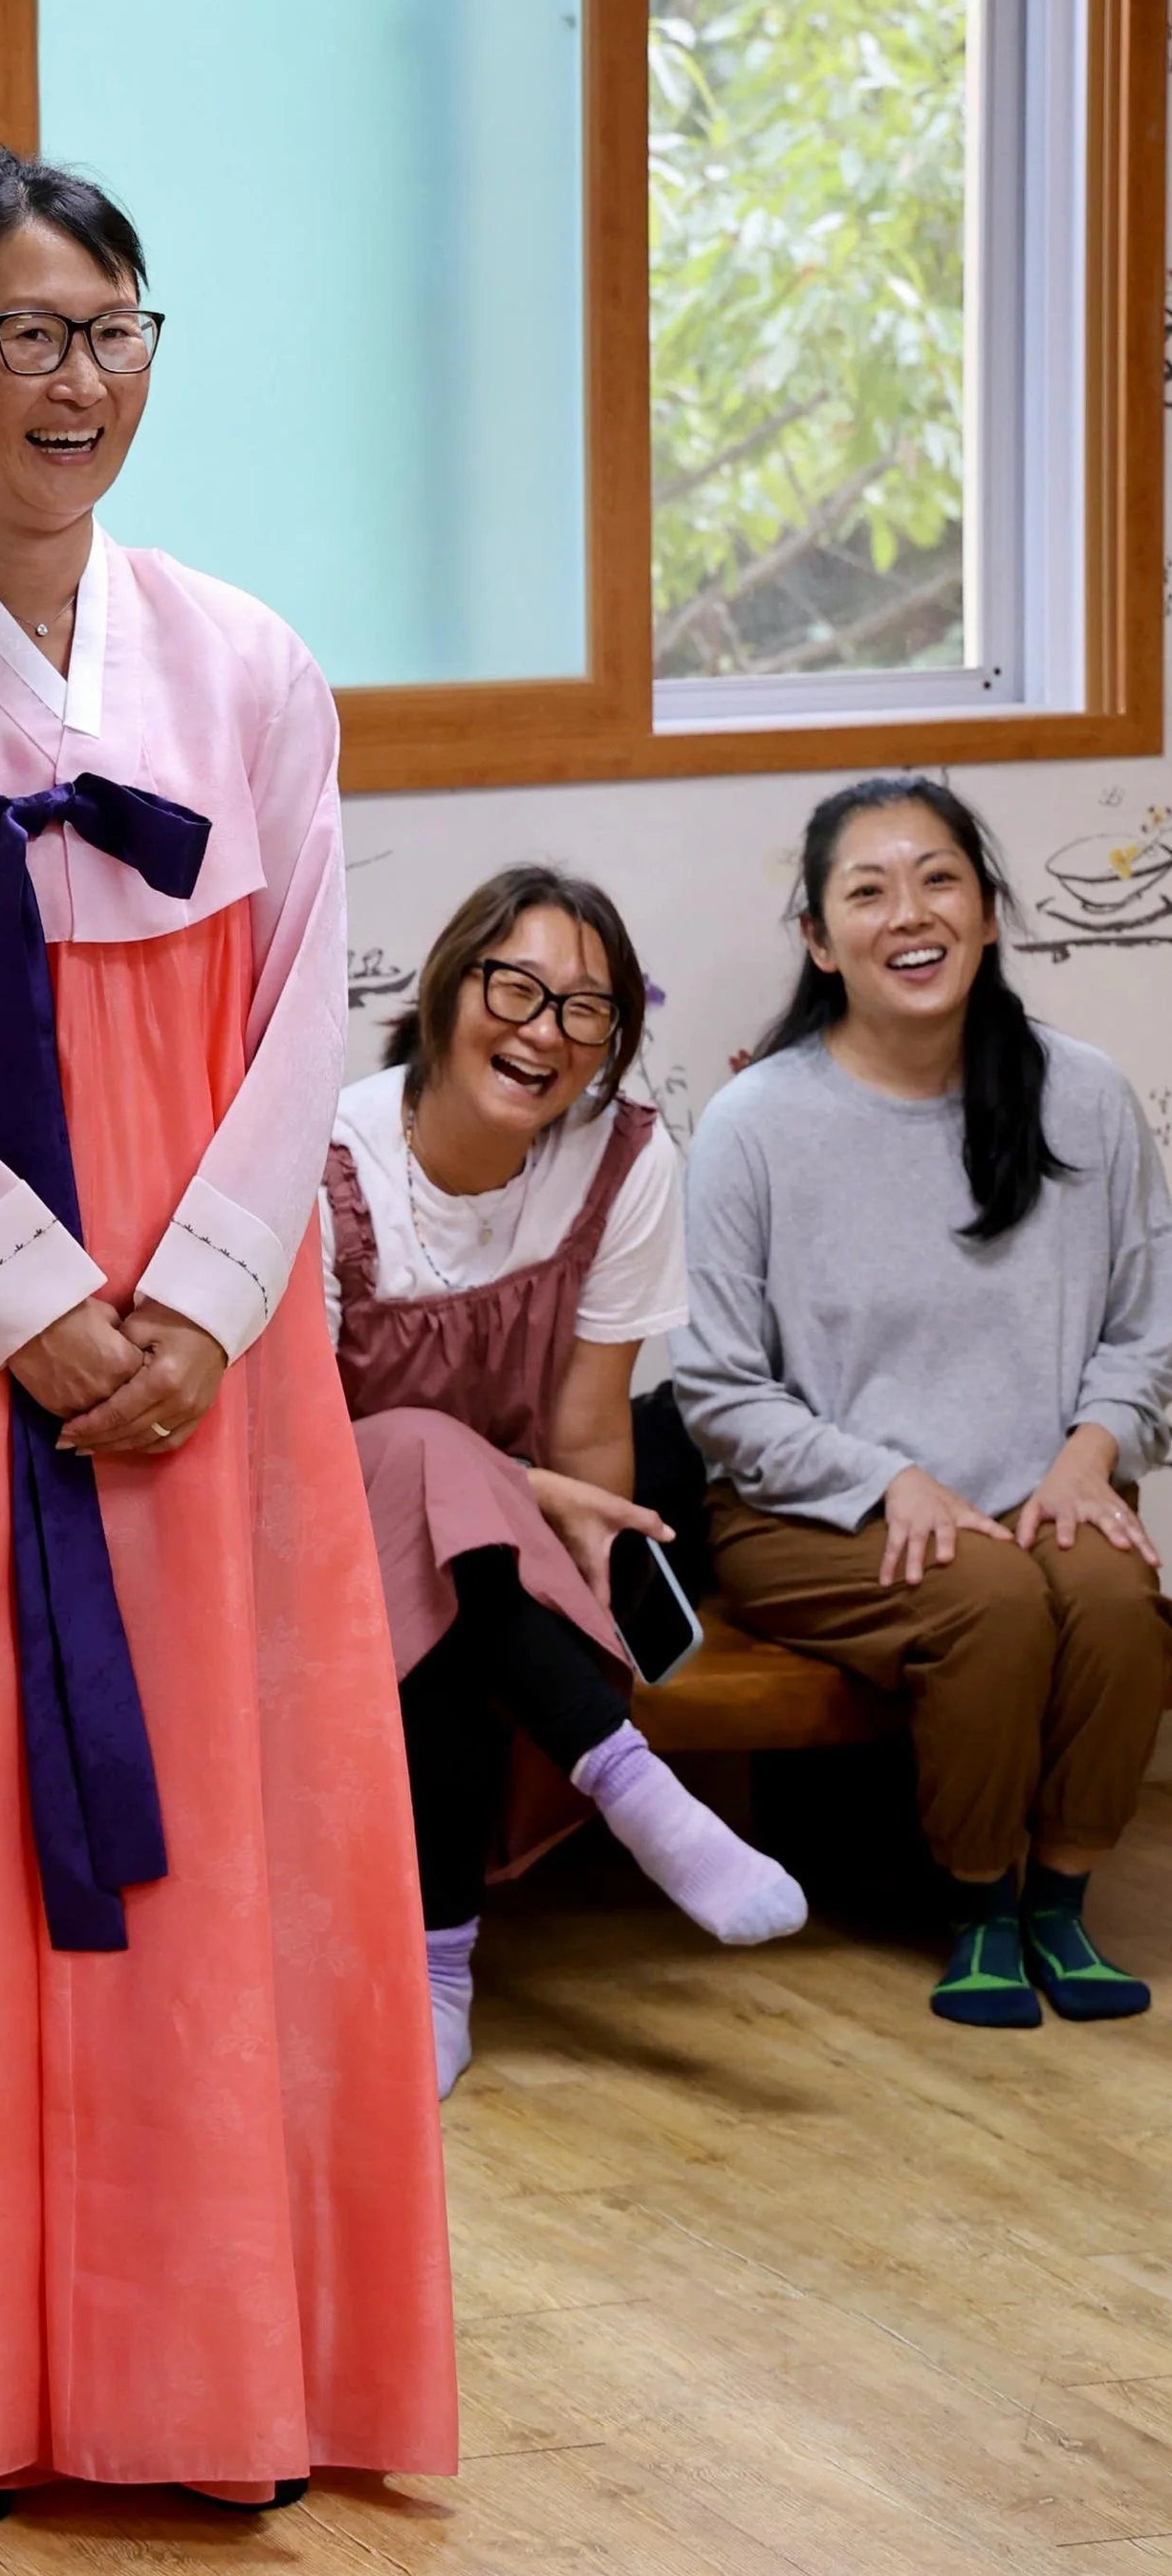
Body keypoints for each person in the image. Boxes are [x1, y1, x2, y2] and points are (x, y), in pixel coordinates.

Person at [0, 149, 455, 2522]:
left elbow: (292, 1026)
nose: (75, 376)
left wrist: (204, 1314)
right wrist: (35, 1312)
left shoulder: (250, 669)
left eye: (114, 325)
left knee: (217, 1823)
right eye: (22, 333)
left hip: (195, 1359)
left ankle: (212, 2372)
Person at [677, 775, 1172, 2029]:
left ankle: (1063, 1899)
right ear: (819, 939)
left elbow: (1145, 1328)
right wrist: (885, 1479)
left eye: (940, 877)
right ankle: (978, 1905)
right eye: (869, 888)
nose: (911, 910)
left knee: (1116, 1600)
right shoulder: (756, 1123)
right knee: (994, 1599)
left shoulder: (1087, 1095)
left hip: (1040, 1478)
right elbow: (720, 1390)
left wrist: (1089, 1457)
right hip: (817, 1508)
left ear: (990, 914)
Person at [326, 868, 805, 2093]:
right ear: (446, 989)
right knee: (423, 1455)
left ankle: (438, 1973)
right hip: (316, 1533)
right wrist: (526, 1489)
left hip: (499, 1545)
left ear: (608, 1048)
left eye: (585, 1011)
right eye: (517, 988)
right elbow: (297, 1444)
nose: (543, 1030)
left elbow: (591, 1427)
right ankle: (645, 1796)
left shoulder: (622, 1160)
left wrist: (584, 1549)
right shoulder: (323, 1157)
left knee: (465, 1598)